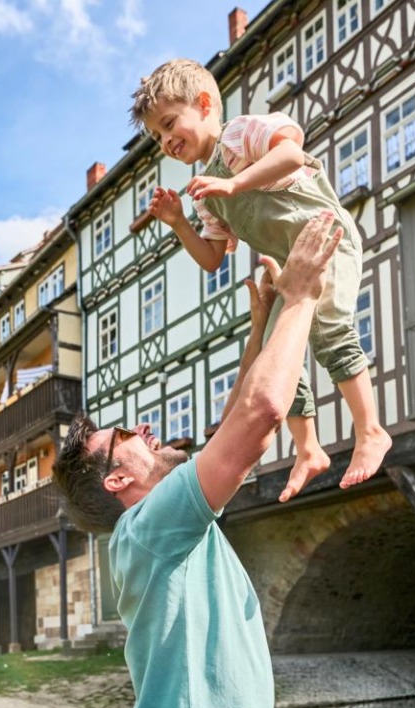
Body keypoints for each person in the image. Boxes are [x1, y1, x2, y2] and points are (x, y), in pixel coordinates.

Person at [56, 213, 344, 708]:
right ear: (119, 478)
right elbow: (259, 418)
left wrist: (260, 324)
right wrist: (300, 296)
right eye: (125, 435)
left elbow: (234, 418)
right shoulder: (149, 529)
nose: (145, 430)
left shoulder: (157, 531)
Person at [133, 57, 392, 502]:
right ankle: (309, 449)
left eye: (170, 124)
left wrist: (235, 186)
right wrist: (178, 222)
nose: (166, 141)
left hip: (327, 239)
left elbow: (291, 152)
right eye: (158, 136)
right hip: (293, 270)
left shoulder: (241, 133)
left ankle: (370, 430)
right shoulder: (204, 195)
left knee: (329, 328)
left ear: (204, 103)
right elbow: (212, 258)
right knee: (277, 359)